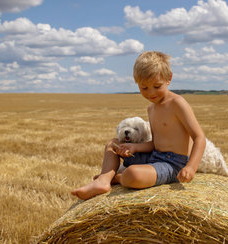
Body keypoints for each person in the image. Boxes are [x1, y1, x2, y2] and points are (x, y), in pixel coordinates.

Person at [71, 51, 206, 200]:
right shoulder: (151, 109)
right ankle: (103, 180)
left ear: (169, 79)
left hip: (172, 165)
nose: (151, 93)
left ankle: (117, 179)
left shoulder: (177, 103)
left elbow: (199, 137)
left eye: (157, 86)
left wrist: (191, 167)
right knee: (113, 143)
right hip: (154, 156)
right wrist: (134, 148)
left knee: (133, 174)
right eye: (144, 88)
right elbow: (155, 143)